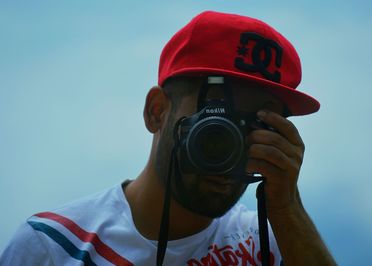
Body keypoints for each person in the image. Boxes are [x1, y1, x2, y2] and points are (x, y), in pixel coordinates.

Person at [0, 11, 336, 266]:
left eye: (257, 124)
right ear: (156, 112)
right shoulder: (52, 247)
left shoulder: (273, 242)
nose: (233, 144)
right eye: (219, 121)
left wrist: (286, 207)